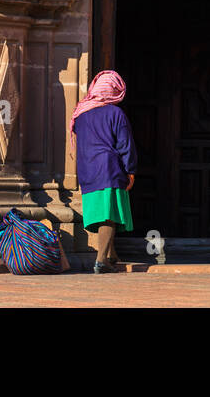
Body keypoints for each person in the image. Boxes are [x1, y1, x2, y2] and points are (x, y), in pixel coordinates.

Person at [70, 70, 136, 273]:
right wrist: (130, 170)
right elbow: (125, 144)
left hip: (87, 169)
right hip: (108, 168)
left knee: (104, 212)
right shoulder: (115, 113)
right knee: (109, 215)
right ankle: (101, 261)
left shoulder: (80, 115)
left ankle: (112, 255)